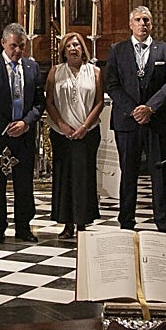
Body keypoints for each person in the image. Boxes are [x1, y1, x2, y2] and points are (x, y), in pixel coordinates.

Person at [104, 6, 166, 233]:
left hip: (157, 121)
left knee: (158, 173)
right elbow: (112, 84)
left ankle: (163, 221)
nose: (142, 24)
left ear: (152, 24)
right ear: (130, 24)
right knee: (128, 172)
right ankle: (126, 221)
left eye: (146, 20)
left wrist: (150, 108)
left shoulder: (165, 51)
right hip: (127, 122)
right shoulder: (118, 50)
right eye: (138, 20)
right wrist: (134, 110)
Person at [0, 22, 45, 243]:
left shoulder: (31, 68)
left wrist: (25, 123)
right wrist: (5, 126)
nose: (18, 51)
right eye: (14, 46)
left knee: (24, 183)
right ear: (3, 43)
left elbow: (38, 103)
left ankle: (23, 226)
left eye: (22, 47)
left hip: (24, 135)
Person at [45, 32, 103, 240]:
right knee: (64, 176)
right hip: (62, 133)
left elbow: (99, 102)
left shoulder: (94, 72)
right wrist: (62, 125)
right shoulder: (55, 72)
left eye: (77, 45)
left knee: (84, 177)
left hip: (87, 133)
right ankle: (67, 223)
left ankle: (82, 221)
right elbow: (49, 101)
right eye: (69, 45)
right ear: (63, 50)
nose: (73, 48)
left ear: (83, 49)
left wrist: (84, 127)